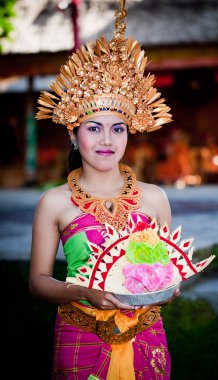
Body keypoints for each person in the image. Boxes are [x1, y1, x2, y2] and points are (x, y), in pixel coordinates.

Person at [29, 1, 179, 379]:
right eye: (93, 128)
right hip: (79, 338)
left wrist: (168, 286)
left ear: (130, 133)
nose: (107, 140)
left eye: (118, 128)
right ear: (74, 136)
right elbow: (38, 283)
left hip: (147, 339)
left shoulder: (156, 198)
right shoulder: (54, 202)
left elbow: (166, 272)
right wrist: (85, 292)